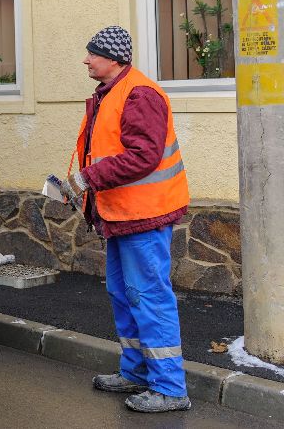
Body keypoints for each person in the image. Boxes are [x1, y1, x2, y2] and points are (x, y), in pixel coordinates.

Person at [60, 25, 191, 413]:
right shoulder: (115, 92)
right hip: (124, 214)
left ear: (114, 59)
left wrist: (87, 179)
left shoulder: (139, 93)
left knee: (148, 296)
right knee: (125, 295)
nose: (86, 59)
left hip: (144, 214)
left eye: (93, 53)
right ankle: (136, 372)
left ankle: (169, 388)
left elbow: (143, 156)